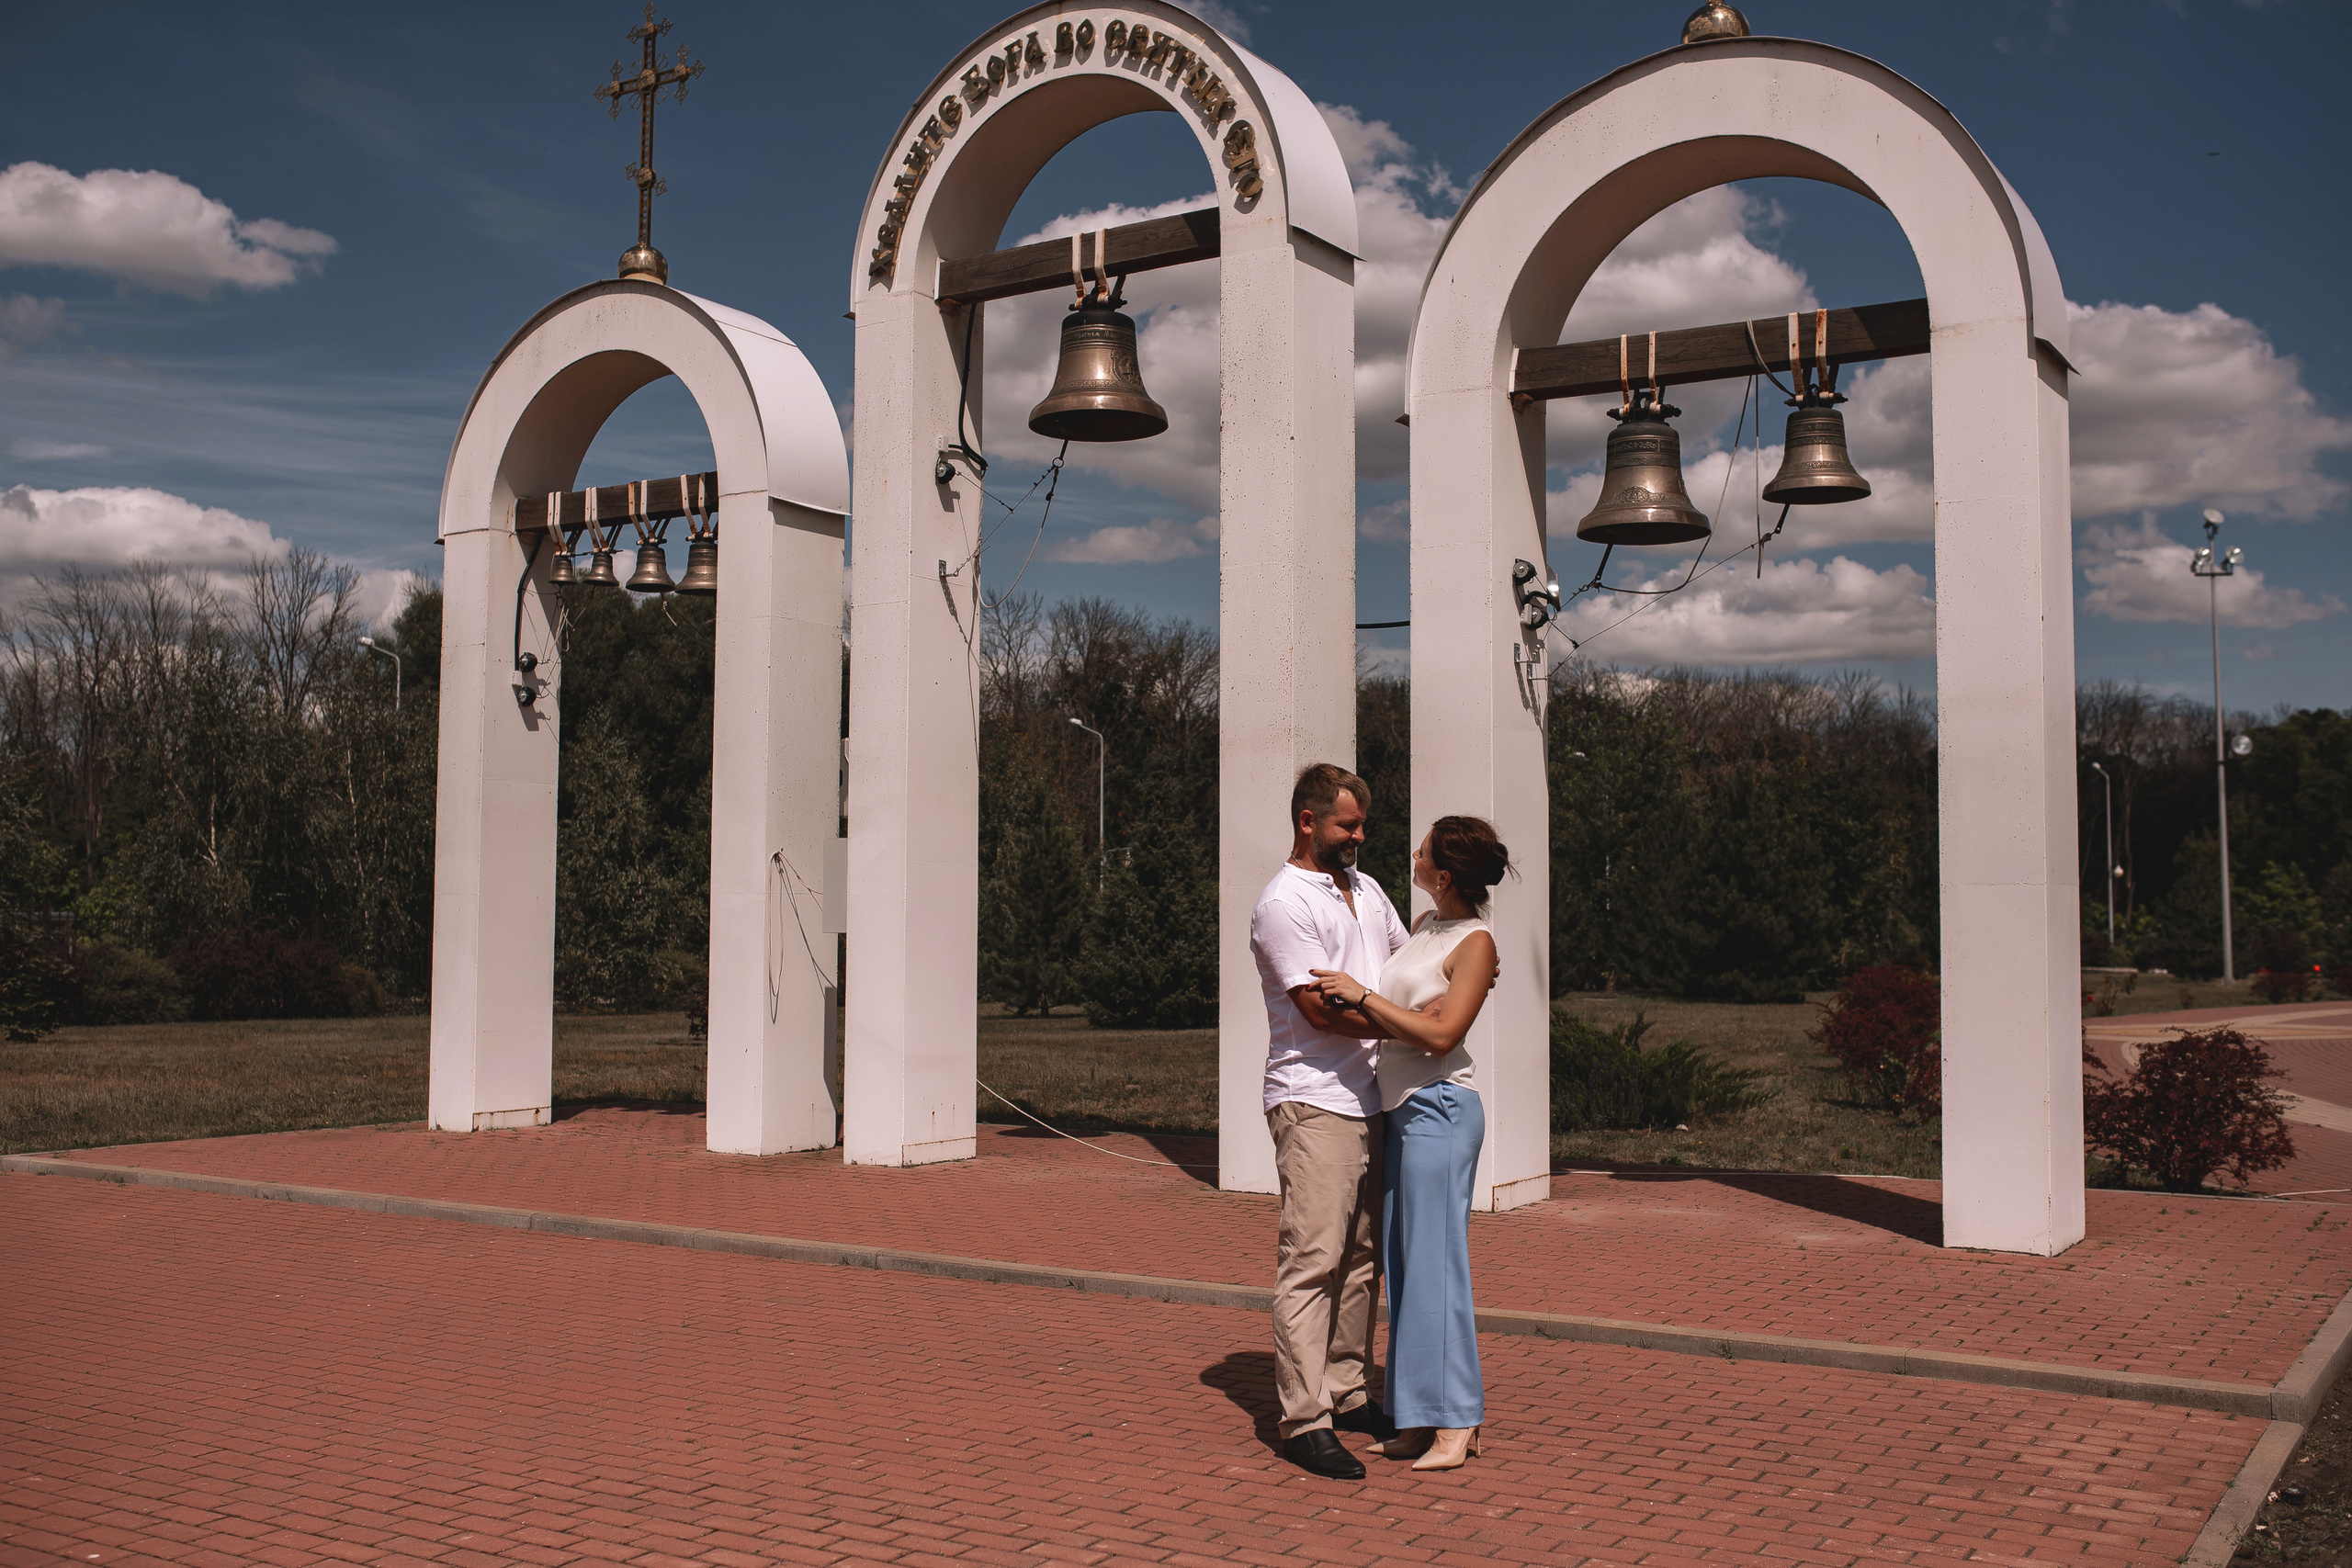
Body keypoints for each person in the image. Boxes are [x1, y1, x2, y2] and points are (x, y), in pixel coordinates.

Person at [1308, 815, 1510, 1472]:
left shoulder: (1476, 940)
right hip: (1404, 1112)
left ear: (1443, 874)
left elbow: (1441, 1034)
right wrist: (1404, 1017)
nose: (1413, 853)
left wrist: (1373, 1002)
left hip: (1441, 1109)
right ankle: (1421, 1415)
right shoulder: (1426, 930)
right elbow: (1414, 1018)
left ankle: (1460, 1419)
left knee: (1437, 1267)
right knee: (1406, 1269)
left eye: (1422, 849)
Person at [1249, 762, 1411, 1481]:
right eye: (1348, 823)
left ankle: (1347, 1392)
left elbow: (1408, 968)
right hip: (1313, 1100)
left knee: (1362, 1260)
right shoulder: (1284, 902)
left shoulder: (1365, 888)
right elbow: (1318, 1009)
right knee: (1313, 1261)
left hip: (1373, 1098)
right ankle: (1304, 1418)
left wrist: (1456, 971)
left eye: (1363, 824)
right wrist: (1402, 1018)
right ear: (1308, 820)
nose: (1360, 835)